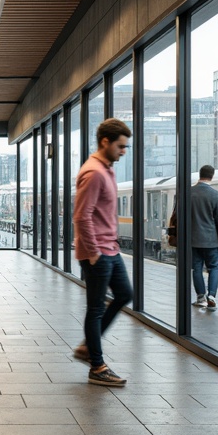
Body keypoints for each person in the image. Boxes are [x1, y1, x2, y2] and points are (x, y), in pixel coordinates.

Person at [72, 118, 134, 386]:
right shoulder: (94, 172)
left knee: (124, 294)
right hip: (98, 251)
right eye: (121, 146)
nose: (124, 151)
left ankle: (88, 347)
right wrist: (94, 252)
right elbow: (81, 215)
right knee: (96, 308)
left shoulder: (107, 168)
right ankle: (97, 366)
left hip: (111, 248)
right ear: (105, 142)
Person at [190, 164, 218, 309]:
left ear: (200, 175)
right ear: (212, 176)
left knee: (196, 268)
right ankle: (211, 295)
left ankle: (200, 297)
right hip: (211, 240)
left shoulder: (188, 193)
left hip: (192, 239)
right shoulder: (216, 195)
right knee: (214, 267)